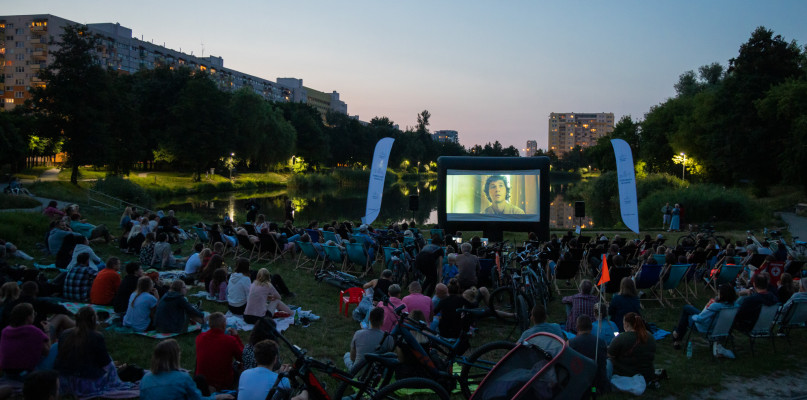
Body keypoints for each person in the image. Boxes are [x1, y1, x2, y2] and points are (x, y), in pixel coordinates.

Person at [56, 306, 133, 398]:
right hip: (86, 383)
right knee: (111, 365)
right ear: (93, 319)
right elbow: (106, 363)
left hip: (64, 381)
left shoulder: (65, 334)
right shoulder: (96, 337)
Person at [140, 339, 234, 400]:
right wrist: (217, 397)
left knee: (199, 379)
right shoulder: (182, 378)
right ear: (175, 357)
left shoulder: (145, 379)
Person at [671, 283, 738, 349]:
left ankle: (677, 335)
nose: (717, 295)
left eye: (719, 293)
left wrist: (694, 316)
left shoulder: (716, 306)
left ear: (722, 295)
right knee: (687, 308)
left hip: (705, 327)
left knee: (686, 315)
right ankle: (677, 335)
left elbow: (700, 319)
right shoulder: (735, 306)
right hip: (721, 328)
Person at [238, 340, 308, 400]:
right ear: (275, 360)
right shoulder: (283, 381)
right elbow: (287, 395)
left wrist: (279, 373)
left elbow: (264, 378)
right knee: (304, 394)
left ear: (256, 359)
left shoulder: (244, 374)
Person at [195, 312, 244, 391]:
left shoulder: (200, 337)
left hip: (202, 380)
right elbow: (243, 357)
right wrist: (236, 337)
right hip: (222, 383)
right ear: (224, 325)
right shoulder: (230, 340)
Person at [0, 303, 50, 374]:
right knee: (56, 346)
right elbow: (47, 351)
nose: (35, 316)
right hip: (27, 371)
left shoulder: (5, 331)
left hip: (7, 371)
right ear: (28, 317)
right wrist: (47, 330)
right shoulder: (33, 330)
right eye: (34, 314)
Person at [608, 312, 656, 382]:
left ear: (626, 324)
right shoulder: (650, 336)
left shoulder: (621, 337)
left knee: (608, 361)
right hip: (647, 374)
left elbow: (609, 354)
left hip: (626, 373)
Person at [568, 315, 609, 398]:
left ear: (577, 327)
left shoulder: (570, 343)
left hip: (579, 381)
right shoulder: (601, 342)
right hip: (597, 382)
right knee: (609, 363)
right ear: (591, 327)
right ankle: (594, 391)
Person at [344, 307, 394, 372]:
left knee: (346, 355)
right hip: (376, 374)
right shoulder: (389, 338)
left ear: (369, 319)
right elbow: (389, 358)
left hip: (357, 371)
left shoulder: (358, 334)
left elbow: (352, 357)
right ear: (382, 321)